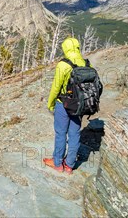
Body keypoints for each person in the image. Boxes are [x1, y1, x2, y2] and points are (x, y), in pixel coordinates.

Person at [43, 37, 84, 174]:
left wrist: (50, 103)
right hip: (79, 105)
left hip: (64, 104)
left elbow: (56, 87)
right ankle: (70, 165)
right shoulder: (85, 63)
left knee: (61, 133)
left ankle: (57, 163)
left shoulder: (63, 65)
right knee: (74, 134)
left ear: (65, 48)